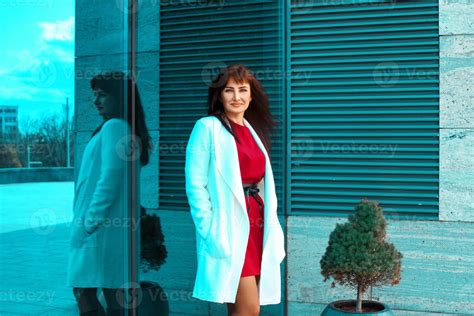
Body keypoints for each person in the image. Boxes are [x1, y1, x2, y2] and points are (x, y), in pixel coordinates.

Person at [185, 64, 286, 316]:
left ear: (252, 95)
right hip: (228, 227)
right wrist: (209, 230)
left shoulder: (253, 132)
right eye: (229, 91)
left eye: (243, 90)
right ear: (219, 95)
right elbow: (195, 185)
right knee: (249, 310)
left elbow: (262, 184)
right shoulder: (207, 127)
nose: (236, 97)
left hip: (257, 224)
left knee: (244, 308)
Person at [66, 71, 151, 315]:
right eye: (95, 95)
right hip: (108, 230)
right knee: (112, 293)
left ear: (120, 97)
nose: (96, 102)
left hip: (99, 230)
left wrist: (88, 224)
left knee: (85, 290)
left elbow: (109, 180)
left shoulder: (115, 126)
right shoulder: (121, 128)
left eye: (102, 95)